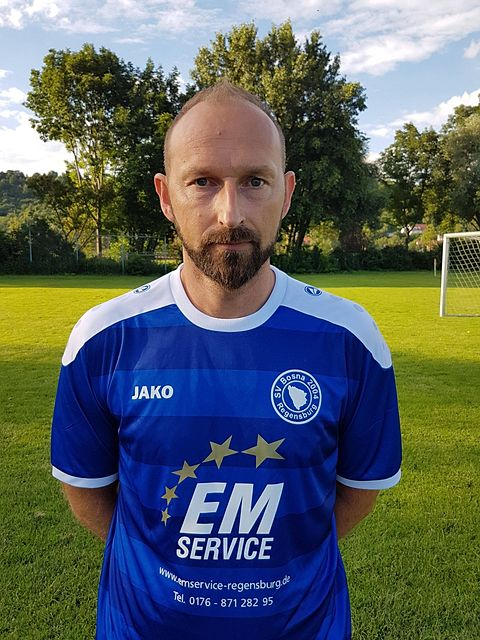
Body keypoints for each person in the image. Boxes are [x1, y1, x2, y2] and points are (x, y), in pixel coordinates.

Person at [51, 80, 402, 639]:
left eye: (254, 181)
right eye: (203, 182)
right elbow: (87, 491)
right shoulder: (103, 339)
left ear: (286, 193)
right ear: (166, 196)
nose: (229, 213)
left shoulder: (349, 338)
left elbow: (359, 490)